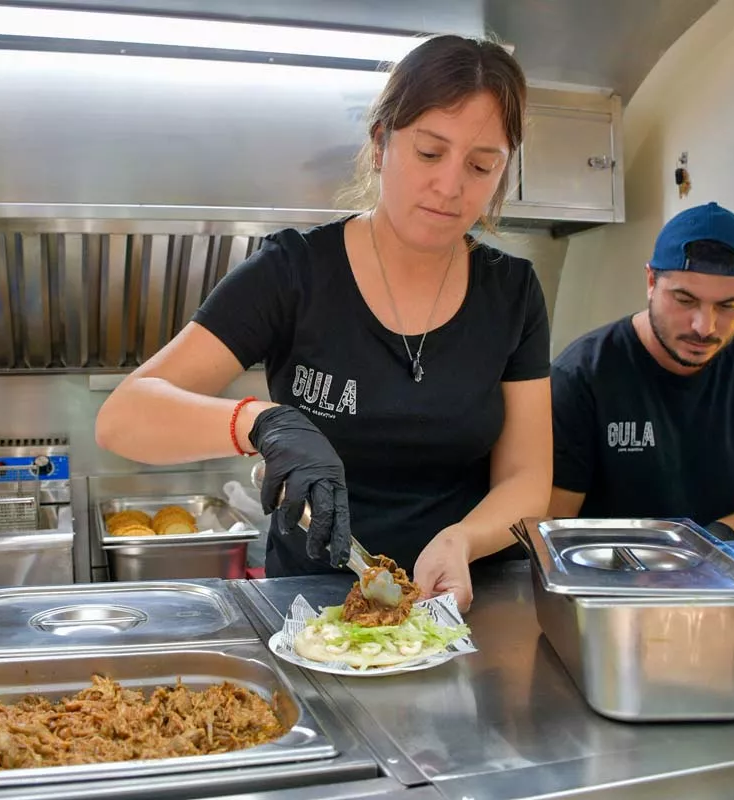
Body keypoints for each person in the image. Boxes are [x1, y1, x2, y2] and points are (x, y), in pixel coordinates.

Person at [95, 35, 553, 610]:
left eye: (482, 165)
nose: (451, 186)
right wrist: (262, 424)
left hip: (464, 599)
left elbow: (528, 480)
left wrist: (464, 539)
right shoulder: (293, 272)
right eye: (430, 153)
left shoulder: (512, 292)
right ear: (382, 143)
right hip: (313, 607)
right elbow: (123, 418)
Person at [547, 202, 734, 540]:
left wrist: (711, 544)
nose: (704, 326)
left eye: (727, 306)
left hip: (714, 577)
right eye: (684, 299)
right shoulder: (582, 374)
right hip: (606, 578)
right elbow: (552, 523)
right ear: (651, 281)